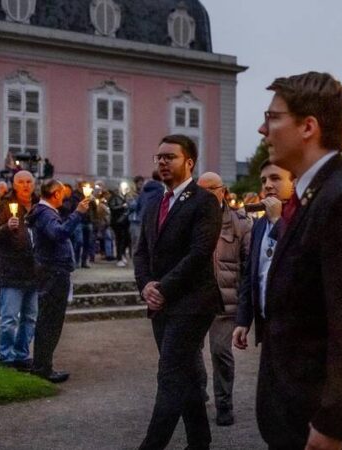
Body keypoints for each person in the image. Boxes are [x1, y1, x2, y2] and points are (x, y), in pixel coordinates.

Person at [253, 72, 342, 449]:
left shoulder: (340, 199)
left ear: (308, 127)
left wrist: (333, 424)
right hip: (293, 407)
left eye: (273, 117)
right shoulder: (316, 192)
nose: (261, 129)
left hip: (314, 418)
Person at [134, 134, 222, 450]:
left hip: (192, 302)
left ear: (189, 162)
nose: (162, 162)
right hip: (161, 303)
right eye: (158, 157)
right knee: (183, 375)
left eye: (169, 157)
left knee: (170, 375)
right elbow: (141, 251)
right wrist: (145, 285)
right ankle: (200, 441)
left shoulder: (204, 201)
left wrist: (163, 288)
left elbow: (199, 253)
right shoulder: (155, 202)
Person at [196, 171, 252, 427]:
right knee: (190, 352)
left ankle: (224, 403)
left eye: (211, 189)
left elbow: (248, 263)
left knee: (220, 352)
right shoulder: (189, 221)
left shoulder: (239, 223)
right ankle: (199, 393)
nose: (205, 195)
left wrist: (245, 302)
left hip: (224, 300)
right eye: (201, 190)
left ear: (223, 191)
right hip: (194, 300)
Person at [27, 179, 90, 383]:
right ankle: (42, 368)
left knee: (49, 320)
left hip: (52, 272)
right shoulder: (45, 214)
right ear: (55, 194)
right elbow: (58, 233)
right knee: (50, 322)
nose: (63, 197)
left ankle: (42, 365)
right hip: (53, 273)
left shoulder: (44, 212)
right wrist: (78, 213)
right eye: (61, 193)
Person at [233, 160, 294, 350]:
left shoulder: (301, 219)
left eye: (275, 178)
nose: (268, 185)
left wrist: (277, 220)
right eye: (264, 180)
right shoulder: (259, 225)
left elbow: (298, 260)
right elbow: (251, 274)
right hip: (267, 324)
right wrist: (243, 320)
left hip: (294, 326)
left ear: (294, 182)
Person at [0, 171, 39, 369]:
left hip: (34, 270)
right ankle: (6, 356)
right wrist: (6, 228)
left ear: (34, 184)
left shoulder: (37, 207)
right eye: (21, 182)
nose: (25, 185)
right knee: (9, 317)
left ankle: (22, 354)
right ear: (14, 184)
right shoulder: (4, 207)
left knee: (29, 317)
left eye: (29, 181)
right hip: (12, 270)